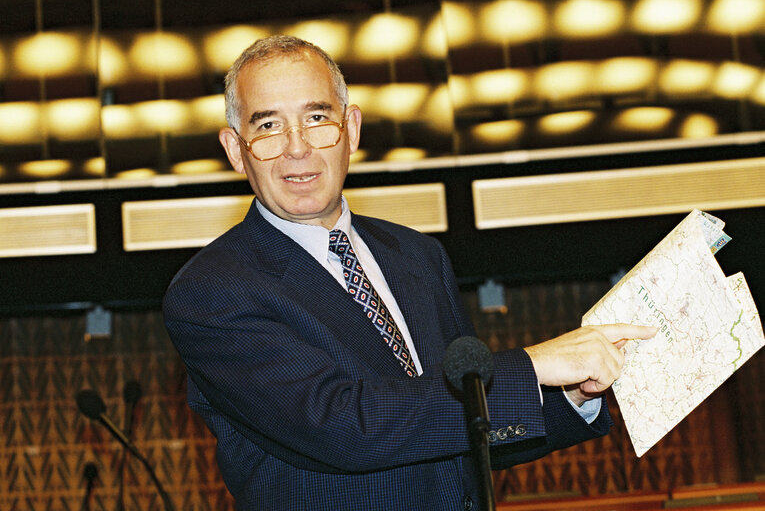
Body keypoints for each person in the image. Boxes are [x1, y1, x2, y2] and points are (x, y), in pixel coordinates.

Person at [163, 35, 656, 510]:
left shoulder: (417, 255)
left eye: (317, 117)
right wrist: (530, 368)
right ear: (235, 148)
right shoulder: (212, 291)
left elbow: (462, 431)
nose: (298, 147)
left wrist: (571, 396)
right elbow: (344, 427)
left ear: (350, 129)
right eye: (268, 126)